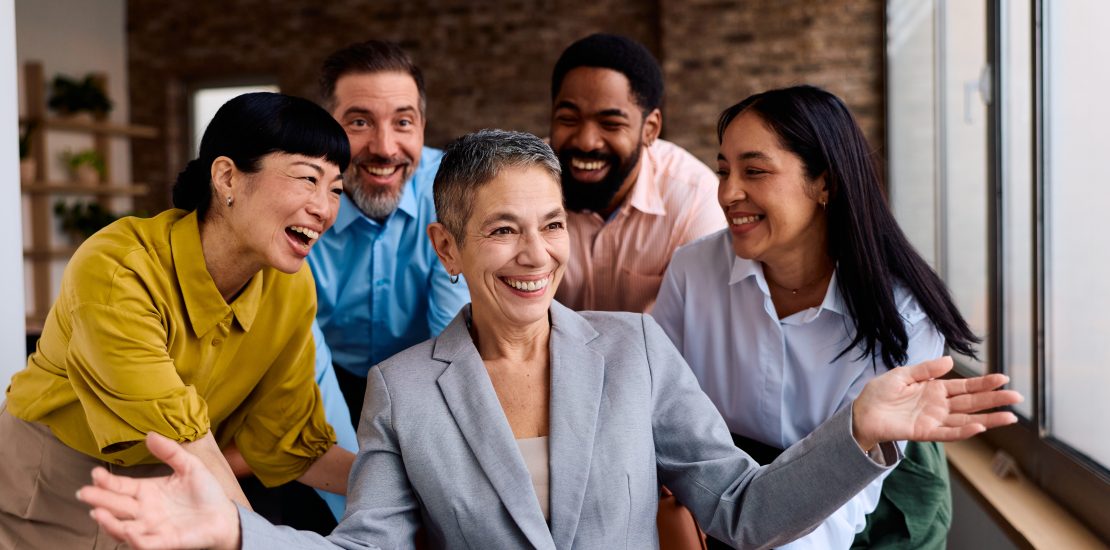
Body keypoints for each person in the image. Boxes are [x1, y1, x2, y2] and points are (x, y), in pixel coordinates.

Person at [77, 129, 1022, 550]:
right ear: (446, 246)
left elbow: (740, 509)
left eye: (552, 226)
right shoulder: (406, 388)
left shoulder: (635, 350)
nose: (536, 256)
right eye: (501, 230)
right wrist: (238, 535)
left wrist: (857, 430)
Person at [0, 92, 356, 548]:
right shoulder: (117, 270)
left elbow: (287, 438)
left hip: (166, 489)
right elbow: (189, 441)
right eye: (308, 178)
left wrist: (417, 484)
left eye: (335, 189)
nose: (324, 208)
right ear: (227, 177)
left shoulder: (291, 287)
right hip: (49, 482)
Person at [653, 85, 979, 549]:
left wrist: (759, 528)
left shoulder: (904, 312)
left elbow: (844, 506)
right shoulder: (692, 271)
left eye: (755, 171)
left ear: (824, 182)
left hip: (867, 491)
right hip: (732, 488)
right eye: (723, 170)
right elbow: (665, 420)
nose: (727, 192)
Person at [310, 40, 470, 426]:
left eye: (402, 122)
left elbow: (450, 349)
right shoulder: (297, 199)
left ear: (422, 128)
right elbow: (302, 360)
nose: (384, 148)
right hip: (323, 377)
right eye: (360, 122)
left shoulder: (453, 189)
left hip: (422, 374)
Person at [549, 33, 726, 313]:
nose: (585, 141)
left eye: (610, 123)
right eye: (568, 119)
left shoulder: (694, 200)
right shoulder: (524, 184)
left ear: (650, 128)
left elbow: (703, 326)